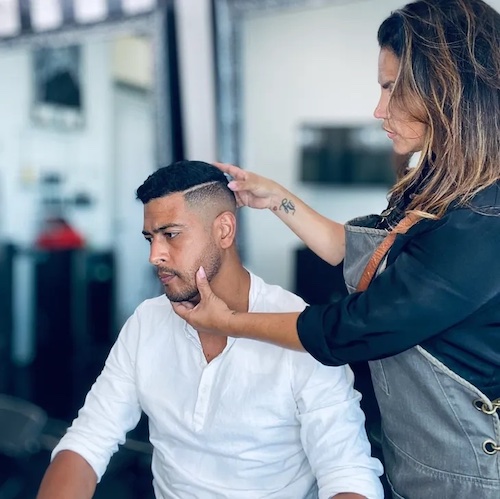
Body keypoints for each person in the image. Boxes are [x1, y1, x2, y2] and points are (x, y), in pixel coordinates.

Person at [171, 1, 500, 498]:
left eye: (391, 87)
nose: (378, 109)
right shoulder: (437, 187)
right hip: (412, 463)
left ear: (445, 87)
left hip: (469, 475)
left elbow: (350, 328)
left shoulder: (483, 221)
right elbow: (364, 255)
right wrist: (276, 197)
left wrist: (229, 321)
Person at [36, 161, 384, 499]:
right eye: (150, 239)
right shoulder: (147, 321)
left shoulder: (299, 329)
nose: (155, 255)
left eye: (171, 235)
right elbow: (87, 440)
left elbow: (349, 476)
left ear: (224, 231)